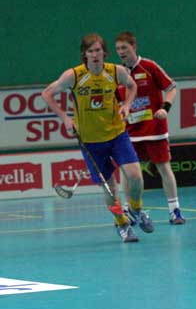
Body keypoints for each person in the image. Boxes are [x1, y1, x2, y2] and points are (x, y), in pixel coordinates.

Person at [42, 33, 154, 242]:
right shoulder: (74, 76)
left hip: (117, 134)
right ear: (84, 54)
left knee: (135, 176)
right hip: (91, 141)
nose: (95, 55)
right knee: (109, 187)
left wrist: (127, 105)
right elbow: (47, 94)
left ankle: (136, 210)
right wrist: (65, 118)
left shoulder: (116, 71)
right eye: (90, 51)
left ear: (104, 52)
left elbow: (132, 86)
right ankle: (122, 224)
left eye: (98, 50)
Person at [115, 31, 185, 225]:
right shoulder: (117, 74)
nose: (121, 52)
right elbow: (114, 101)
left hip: (154, 129)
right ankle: (129, 210)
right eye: (118, 49)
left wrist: (165, 108)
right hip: (129, 132)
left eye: (124, 48)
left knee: (164, 168)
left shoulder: (149, 67)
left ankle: (175, 211)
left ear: (134, 47)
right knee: (127, 172)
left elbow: (171, 88)